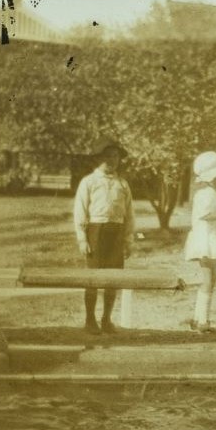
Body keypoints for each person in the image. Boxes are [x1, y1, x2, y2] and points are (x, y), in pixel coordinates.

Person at [72, 139, 134, 335]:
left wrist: (129, 240)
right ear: (98, 159)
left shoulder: (122, 184)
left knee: (113, 279)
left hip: (117, 232)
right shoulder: (88, 182)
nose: (111, 160)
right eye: (107, 156)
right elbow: (80, 210)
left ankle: (106, 319)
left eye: (115, 156)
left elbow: (130, 213)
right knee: (93, 278)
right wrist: (82, 238)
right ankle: (90, 319)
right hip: (95, 232)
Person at [183, 151, 216, 332]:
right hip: (204, 239)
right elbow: (204, 215)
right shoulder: (207, 194)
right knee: (208, 279)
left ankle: (199, 318)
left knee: (211, 279)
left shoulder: (211, 192)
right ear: (214, 177)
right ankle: (202, 321)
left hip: (209, 237)